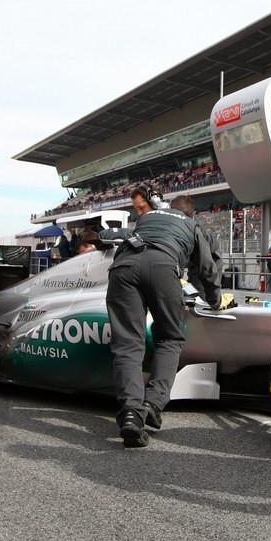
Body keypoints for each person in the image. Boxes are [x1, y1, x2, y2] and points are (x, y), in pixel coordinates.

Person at [102, 190, 232, 448]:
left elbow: (118, 240)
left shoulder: (147, 218)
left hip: (122, 269)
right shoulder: (192, 225)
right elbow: (208, 268)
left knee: (127, 344)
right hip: (163, 267)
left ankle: (130, 413)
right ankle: (151, 404)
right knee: (170, 338)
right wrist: (216, 301)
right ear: (191, 213)